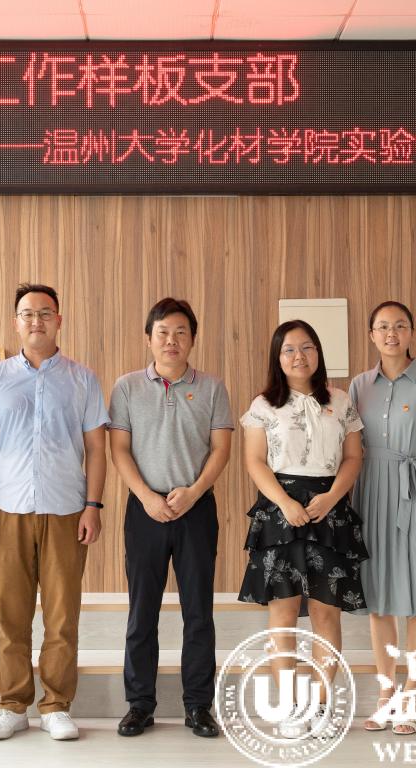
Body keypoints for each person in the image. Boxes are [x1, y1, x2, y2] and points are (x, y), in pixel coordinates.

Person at [0, 283, 109, 742]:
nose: (37, 321)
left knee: (62, 616)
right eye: (27, 313)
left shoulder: (82, 379)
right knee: (10, 615)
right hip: (7, 509)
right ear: (16, 322)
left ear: (59, 320)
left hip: (67, 509)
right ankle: (11, 705)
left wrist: (93, 505)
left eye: (45, 313)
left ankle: (56, 705)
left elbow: (96, 448)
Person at [108, 298, 233, 739]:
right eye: (162, 332)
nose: (171, 340)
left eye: (181, 332)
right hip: (145, 510)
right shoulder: (126, 387)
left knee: (198, 612)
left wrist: (194, 492)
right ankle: (139, 705)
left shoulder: (213, 388)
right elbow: (119, 449)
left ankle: (198, 706)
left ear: (193, 339)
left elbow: (221, 448)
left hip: (196, 509)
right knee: (142, 611)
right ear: (149, 338)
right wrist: (146, 496)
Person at [238, 319, 368, 737]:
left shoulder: (341, 401)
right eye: (289, 349)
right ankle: (291, 707)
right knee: (284, 613)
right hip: (281, 511)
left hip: (330, 509)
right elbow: (255, 461)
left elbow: (353, 457)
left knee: (327, 613)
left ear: (318, 353)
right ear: (278, 358)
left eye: (307, 347)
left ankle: (322, 705)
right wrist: (285, 503)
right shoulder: (263, 405)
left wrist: (331, 499)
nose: (299, 356)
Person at [350, 301, 416, 735]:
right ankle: (385, 692)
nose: (391, 333)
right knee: (378, 598)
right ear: (371, 335)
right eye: (382, 327)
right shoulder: (359, 385)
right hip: (370, 489)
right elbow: (351, 448)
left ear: (411, 332)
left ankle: (413, 695)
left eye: (399, 326)